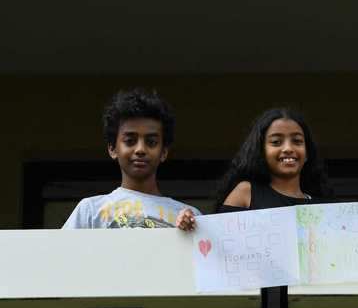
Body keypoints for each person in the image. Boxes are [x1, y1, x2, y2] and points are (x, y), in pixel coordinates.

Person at [62, 89, 201, 229]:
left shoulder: (191, 217)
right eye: (130, 141)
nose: (140, 149)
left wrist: (192, 232)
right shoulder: (90, 211)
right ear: (112, 149)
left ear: (164, 152)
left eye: (151, 142)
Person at [176, 107, 327, 229]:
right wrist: (189, 222)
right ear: (261, 152)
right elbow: (218, 241)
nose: (288, 148)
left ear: (307, 153)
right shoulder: (246, 193)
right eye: (276, 142)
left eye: (297, 141)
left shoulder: (325, 209)